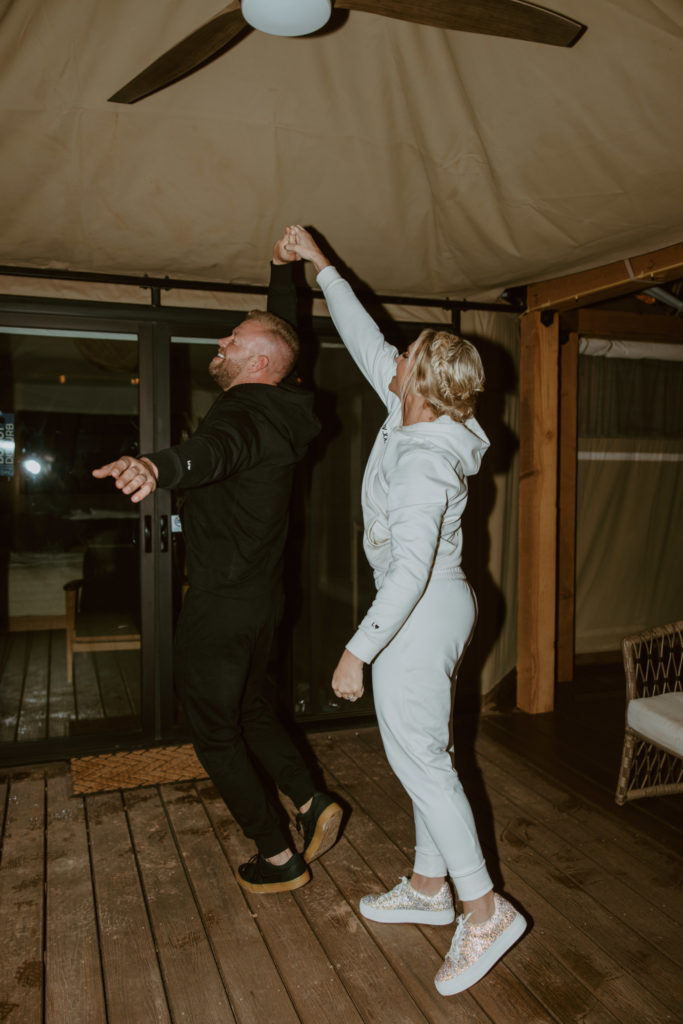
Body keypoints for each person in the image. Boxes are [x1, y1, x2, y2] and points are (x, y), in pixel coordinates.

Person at [286, 224, 526, 994]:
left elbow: (411, 571)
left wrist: (357, 649)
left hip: (418, 608)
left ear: (418, 382)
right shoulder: (419, 411)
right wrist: (322, 269)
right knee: (428, 756)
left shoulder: (425, 460)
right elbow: (367, 340)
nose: (391, 360)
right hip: (429, 606)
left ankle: (483, 911)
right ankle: (428, 891)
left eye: (405, 359)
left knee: (419, 759)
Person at [93, 233, 342, 894]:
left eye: (232, 338)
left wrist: (155, 466)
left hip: (222, 604)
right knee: (251, 706)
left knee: (213, 731)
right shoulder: (284, 406)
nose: (220, 344)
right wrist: (280, 270)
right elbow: (288, 332)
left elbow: (214, 453)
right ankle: (311, 799)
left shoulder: (243, 416)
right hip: (262, 602)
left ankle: (277, 855)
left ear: (258, 360)